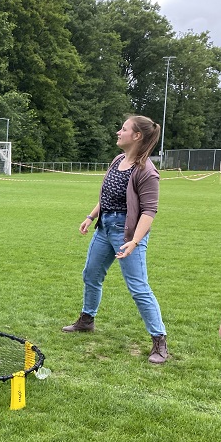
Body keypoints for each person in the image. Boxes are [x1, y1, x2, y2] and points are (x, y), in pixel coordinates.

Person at [62, 115, 169, 364]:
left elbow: (149, 211)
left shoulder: (147, 171)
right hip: (104, 227)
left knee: (138, 287)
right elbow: (107, 195)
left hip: (127, 233)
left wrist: (134, 241)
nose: (118, 132)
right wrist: (90, 216)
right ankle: (86, 320)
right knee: (91, 274)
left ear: (137, 136)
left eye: (123, 129)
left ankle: (159, 340)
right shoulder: (118, 160)